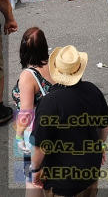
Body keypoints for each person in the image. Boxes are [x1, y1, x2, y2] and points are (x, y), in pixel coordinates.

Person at [29, 45, 108, 197]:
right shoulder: (93, 90)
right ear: (79, 69)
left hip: (62, 181)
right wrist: (100, 144)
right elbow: (104, 125)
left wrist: (35, 170)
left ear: (56, 70)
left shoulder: (49, 103)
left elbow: (40, 146)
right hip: (90, 171)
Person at [13, 27, 53, 195]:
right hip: (57, 128)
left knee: (32, 179)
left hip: (36, 133)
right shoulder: (55, 65)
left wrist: (19, 136)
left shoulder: (28, 76)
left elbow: (26, 112)